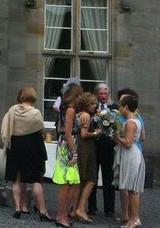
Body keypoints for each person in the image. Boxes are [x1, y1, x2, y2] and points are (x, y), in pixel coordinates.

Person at [1, 86, 53, 222]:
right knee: (36, 179)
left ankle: (18, 208)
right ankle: (43, 210)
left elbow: (5, 128)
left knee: (16, 178)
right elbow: (41, 129)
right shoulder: (35, 113)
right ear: (33, 96)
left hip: (15, 145)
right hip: (32, 146)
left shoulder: (12, 110)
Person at [54, 82, 83, 228]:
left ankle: (62, 215)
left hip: (64, 146)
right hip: (69, 148)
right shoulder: (70, 110)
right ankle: (62, 216)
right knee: (68, 184)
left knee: (70, 184)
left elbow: (60, 128)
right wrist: (74, 153)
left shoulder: (63, 109)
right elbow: (68, 133)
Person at [115, 93, 146, 228]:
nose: (120, 109)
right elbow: (141, 138)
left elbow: (128, 143)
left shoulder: (130, 123)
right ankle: (133, 218)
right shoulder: (138, 121)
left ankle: (135, 218)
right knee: (132, 189)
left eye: (121, 106)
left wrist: (116, 137)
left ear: (126, 107)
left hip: (131, 155)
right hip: (134, 154)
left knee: (132, 189)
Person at [89, 82, 118, 218]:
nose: (103, 96)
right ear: (96, 94)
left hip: (108, 147)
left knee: (109, 179)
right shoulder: (92, 108)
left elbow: (118, 126)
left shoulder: (114, 108)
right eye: (101, 93)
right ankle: (91, 207)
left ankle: (109, 209)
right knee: (92, 178)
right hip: (93, 146)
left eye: (105, 94)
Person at [73, 92, 100, 224]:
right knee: (91, 179)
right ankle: (81, 208)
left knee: (81, 180)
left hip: (81, 147)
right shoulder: (86, 115)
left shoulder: (79, 114)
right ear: (87, 104)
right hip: (86, 148)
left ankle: (74, 210)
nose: (95, 105)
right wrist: (96, 133)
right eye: (92, 103)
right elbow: (84, 134)